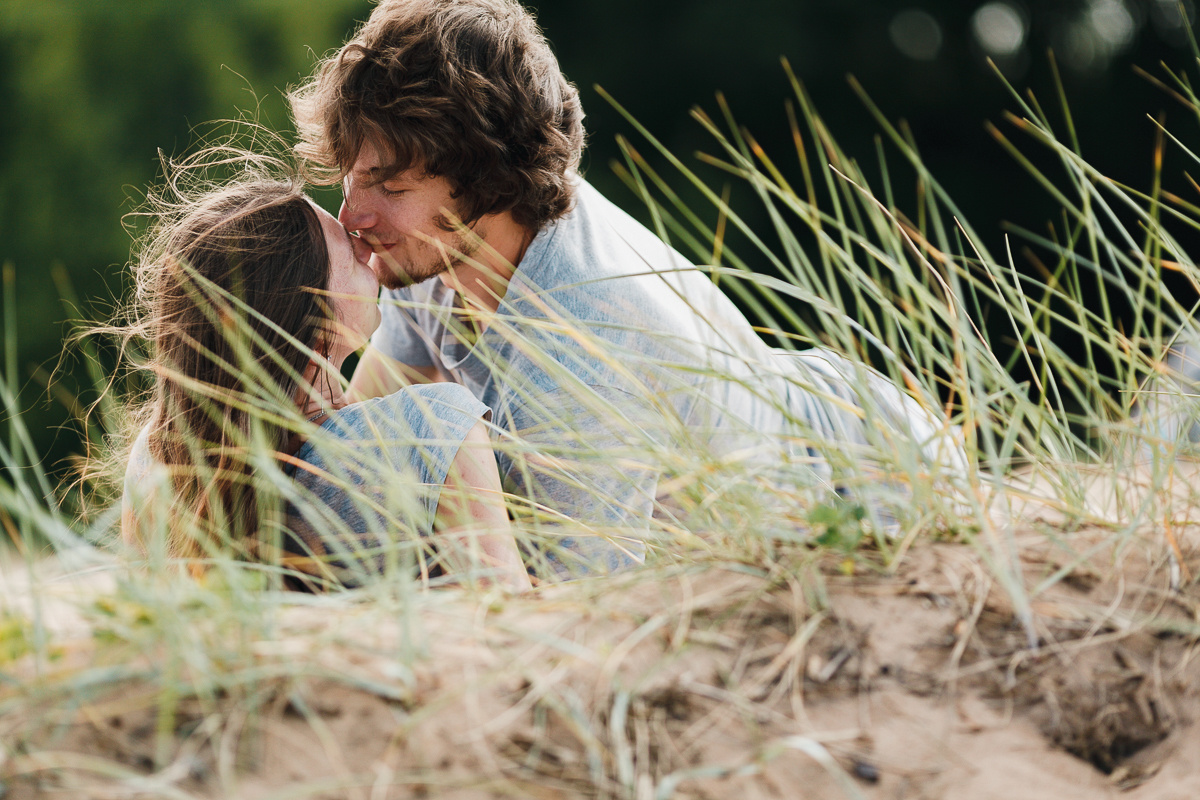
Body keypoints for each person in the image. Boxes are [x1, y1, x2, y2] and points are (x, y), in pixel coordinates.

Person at [288, 0, 967, 575]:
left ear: (485, 181)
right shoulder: (433, 251)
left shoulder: (585, 337)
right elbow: (372, 422)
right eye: (353, 176)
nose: (354, 216)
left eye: (391, 186)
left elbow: (576, 611)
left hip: (871, 485)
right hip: (797, 408)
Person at [119, 166, 531, 592]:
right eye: (350, 256)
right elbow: (505, 610)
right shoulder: (433, 429)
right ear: (319, 323)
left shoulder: (156, 459)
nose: (368, 254)